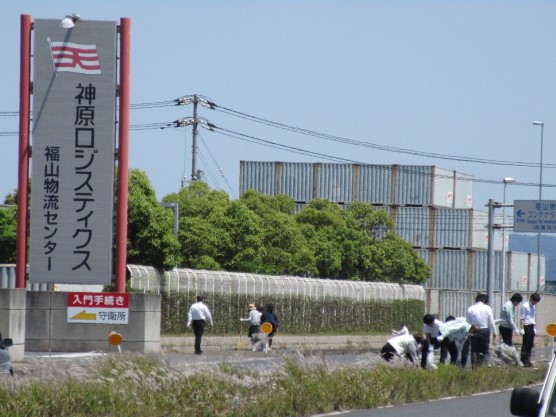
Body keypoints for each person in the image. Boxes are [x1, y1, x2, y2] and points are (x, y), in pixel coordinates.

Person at [466, 293, 496, 368]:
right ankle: (484, 366)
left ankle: (474, 367)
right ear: (484, 300)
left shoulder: (470, 309)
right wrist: (495, 331)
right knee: (485, 350)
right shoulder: (487, 308)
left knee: (474, 350)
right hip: (484, 330)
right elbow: (491, 322)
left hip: (474, 330)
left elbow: (468, 323)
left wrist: (468, 333)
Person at [520, 292, 541, 368]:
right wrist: (522, 329)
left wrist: (534, 327)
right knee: (525, 344)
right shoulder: (525, 306)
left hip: (531, 325)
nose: (535, 303)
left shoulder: (533, 306)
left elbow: (533, 317)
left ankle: (528, 360)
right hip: (526, 325)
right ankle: (523, 361)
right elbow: (522, 318)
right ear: (531, 299)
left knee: (530, 344)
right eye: (535, 301)